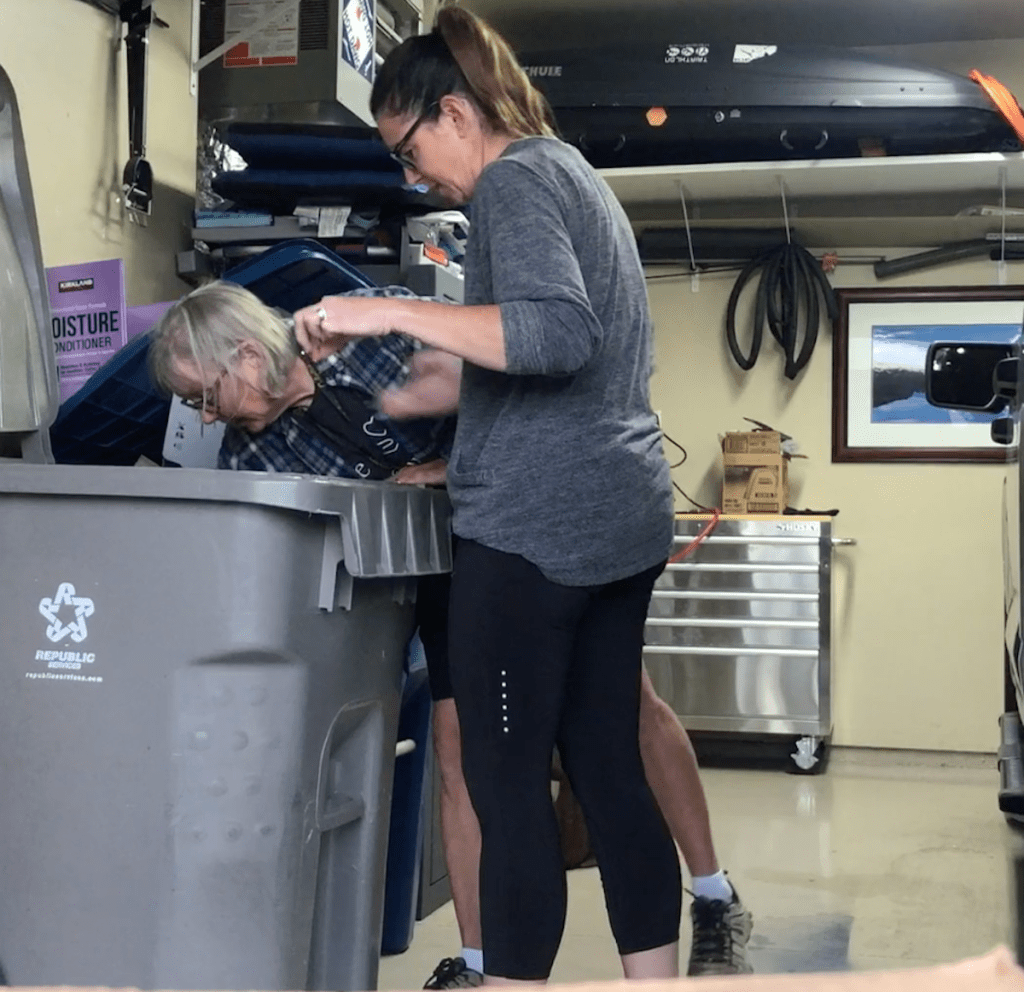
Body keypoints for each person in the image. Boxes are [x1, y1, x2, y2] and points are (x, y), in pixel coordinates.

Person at [293, 7, 752, 985]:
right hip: (617, 515)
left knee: (506, 789)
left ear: (453, 113)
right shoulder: (571, 172)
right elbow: (570, 349)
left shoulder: (511, 180)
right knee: (606, 767)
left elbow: (556, 334)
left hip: (536, 529)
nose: (411, 177)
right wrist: (449, 378)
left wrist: (375, 306)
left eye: (408, 151)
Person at [150, 278, 752, 985]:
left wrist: (454, 467)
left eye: (206, 396)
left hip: (518, 527)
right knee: (456, 748)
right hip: (437, 569)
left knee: (625, 716)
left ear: (248, 356)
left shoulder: (366, 330)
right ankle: (478, 960)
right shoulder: (250, 458)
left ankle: (714, 894)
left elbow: (519, 383)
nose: (207, 417)